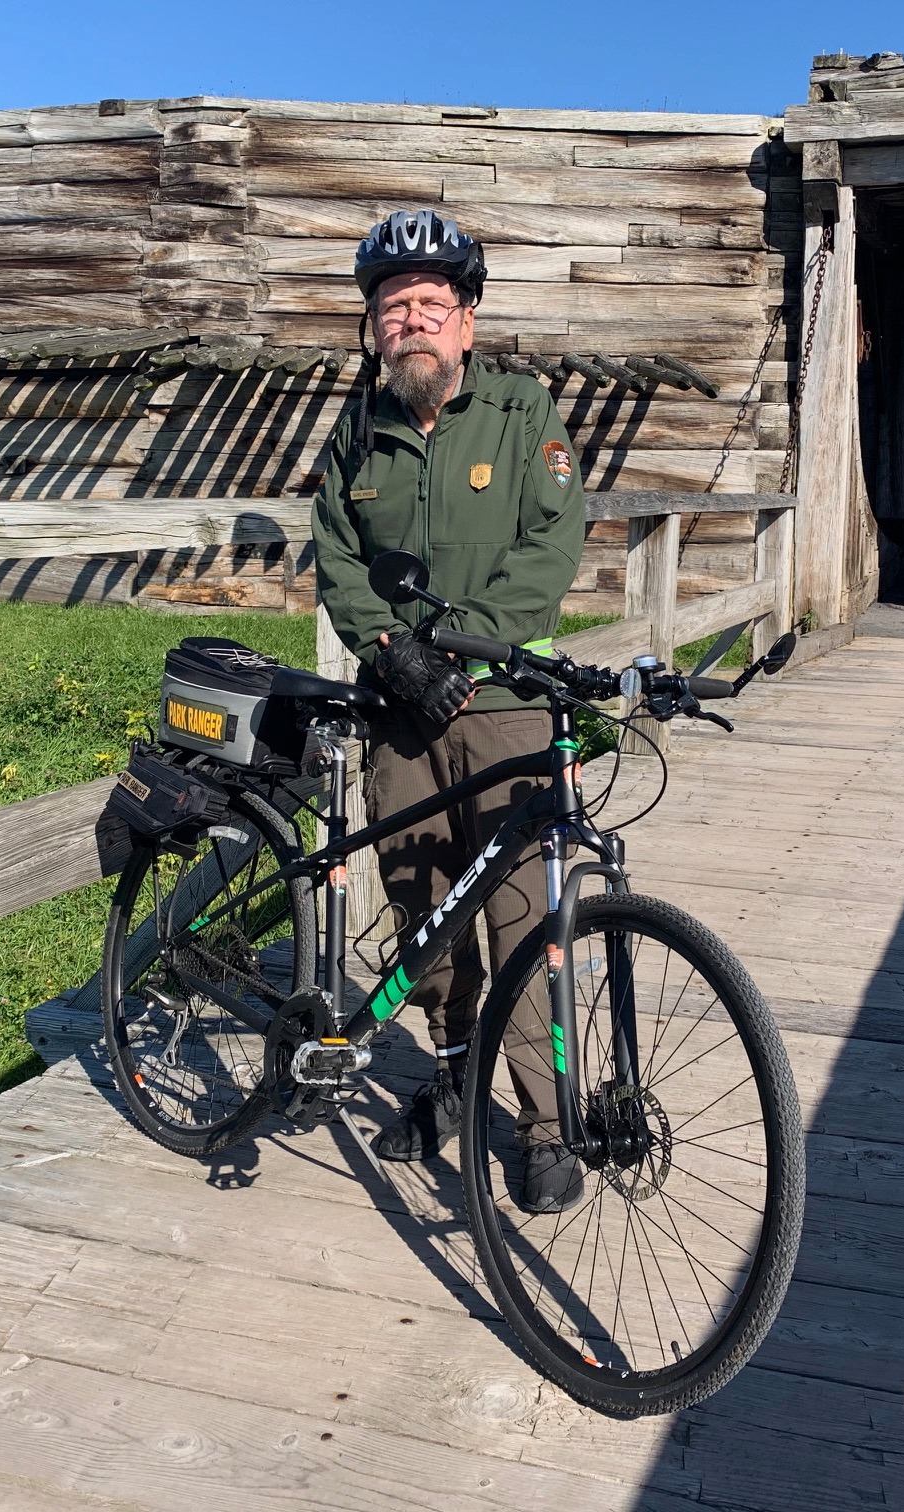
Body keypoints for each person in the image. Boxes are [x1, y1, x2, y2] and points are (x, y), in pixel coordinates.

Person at [311, 208, 587, 1214]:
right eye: (393, 308)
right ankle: (456, 1069)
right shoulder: (357, 433)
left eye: (432, 305)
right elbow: (335, 551)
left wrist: (455, 643)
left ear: (467, 321)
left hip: (505, 702)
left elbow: (551, 547)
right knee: (424, 913)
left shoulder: (521, 414)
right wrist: (391, 650)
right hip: (402, 718)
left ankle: (548, 1126)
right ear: (373, 328)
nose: (411, 323)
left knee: (522, 920)